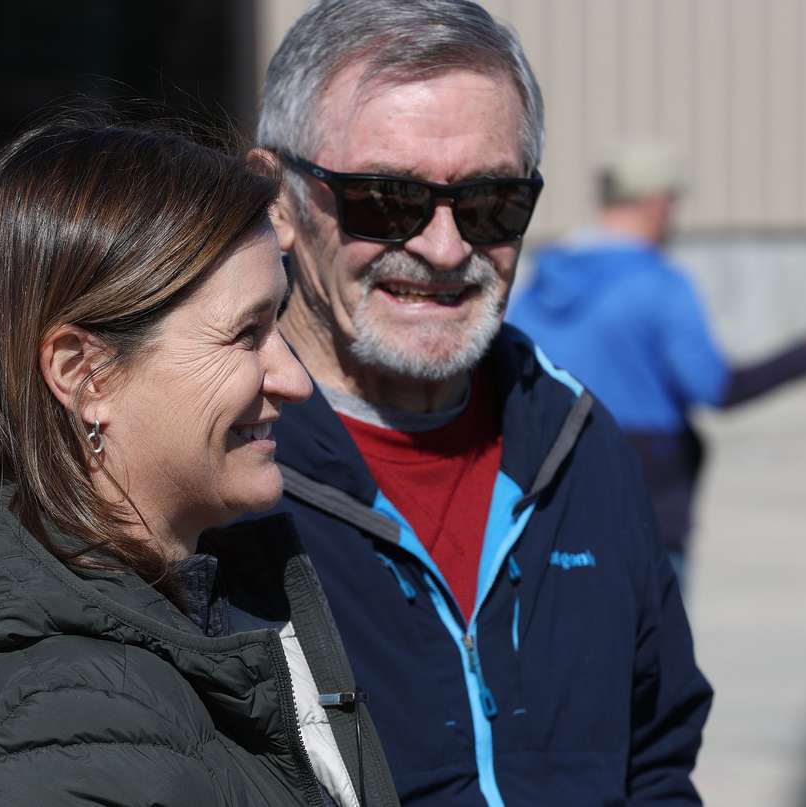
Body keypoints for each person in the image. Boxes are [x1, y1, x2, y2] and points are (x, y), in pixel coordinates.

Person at [0, 111, 401, 807]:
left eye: (280, 323)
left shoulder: (213, 588)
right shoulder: (51, 733)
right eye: (246, 333)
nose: (294, 379)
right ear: (83, 372)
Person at [255, 1, 712, 804]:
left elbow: (657, 754)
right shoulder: (210, 471)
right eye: (386, 198)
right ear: (277, 201)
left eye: (491, 201)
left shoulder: (580, 446)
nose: (444, 248)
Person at [507, 141, 806, 581]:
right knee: (652, 643)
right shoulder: (661, 285)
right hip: (645, 494)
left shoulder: (541, 283)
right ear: (657, 204)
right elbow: (716, 389)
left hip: (551, 490)